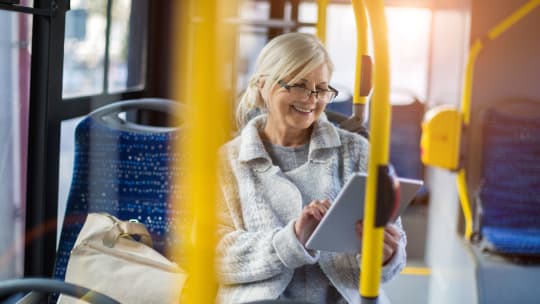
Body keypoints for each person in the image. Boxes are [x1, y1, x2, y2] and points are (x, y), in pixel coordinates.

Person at [215, 32, 406, 304]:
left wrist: (387, 255)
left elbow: (396, 252)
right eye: (299, 85)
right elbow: (214, 257)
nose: (311, 99)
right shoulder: (227, 162)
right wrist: (291, 240)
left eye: (322, 89)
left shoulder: (357, 151)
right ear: (262, 85)